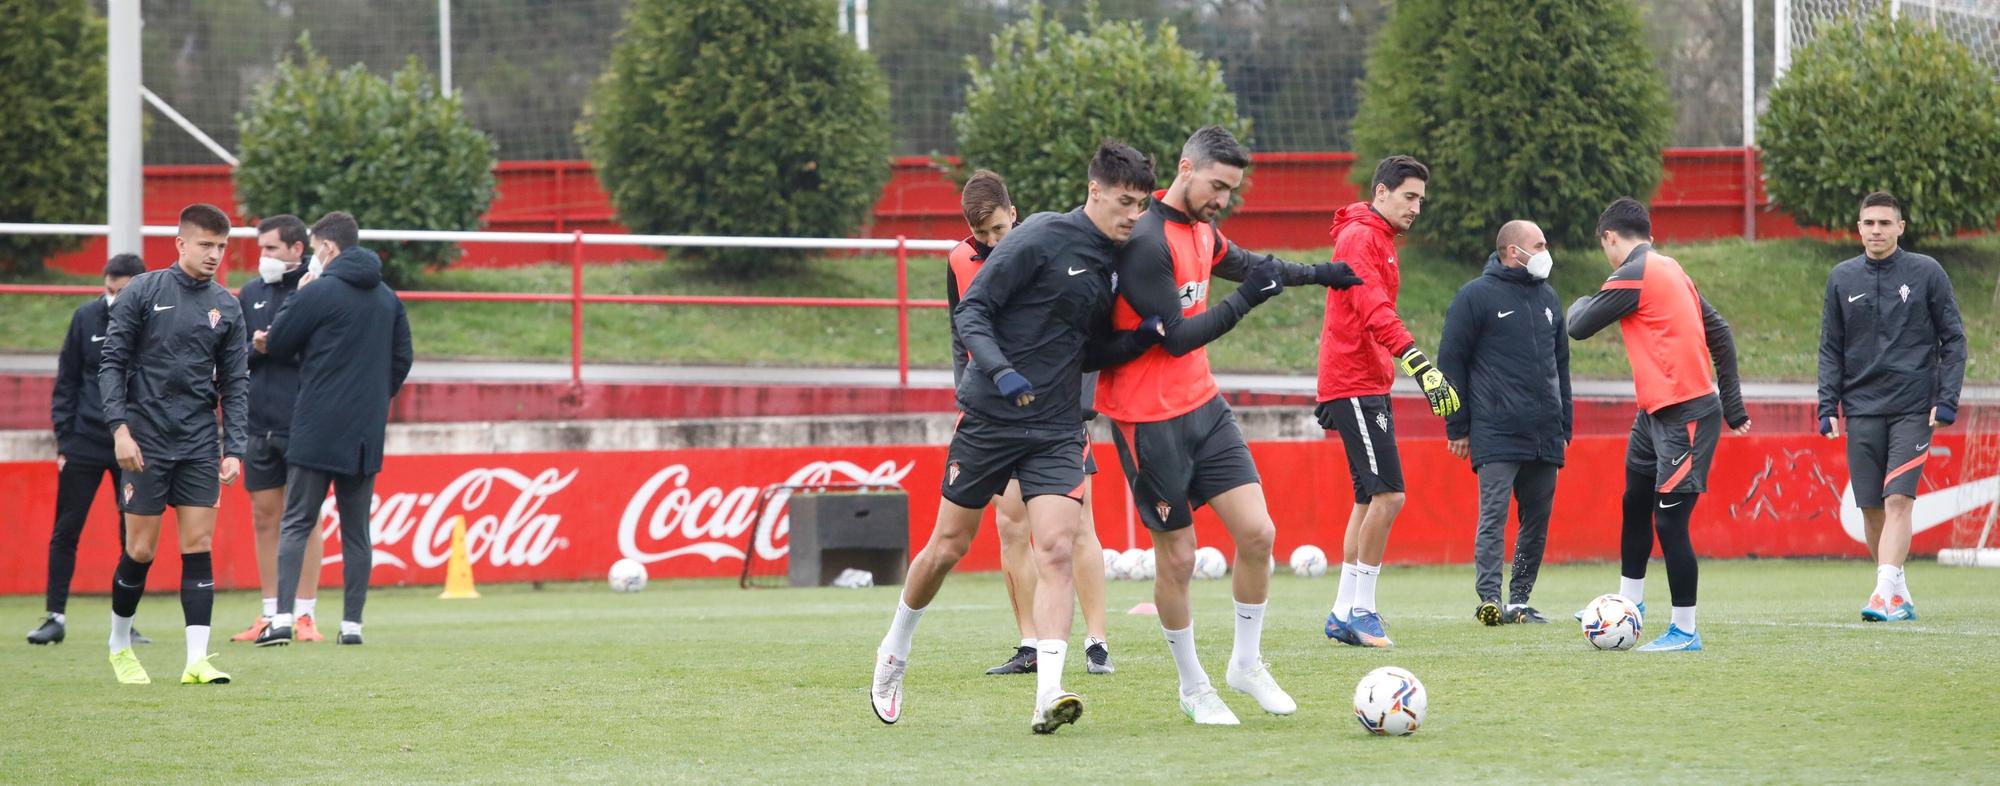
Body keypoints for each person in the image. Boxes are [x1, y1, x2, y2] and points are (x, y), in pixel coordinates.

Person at [871, 142, 1163, 734]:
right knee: (947, 546)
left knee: (1054, 547)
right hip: (991, 420)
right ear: (1095, 193)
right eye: (1126, 202)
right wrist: (1000, 374)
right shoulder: (1038, 237)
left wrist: (1144, 338)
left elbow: (1095, 347)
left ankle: (1049, 693)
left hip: (1057, 427)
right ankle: (894, 649)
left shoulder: (1119, 261)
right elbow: (972, 313)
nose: (1134, 214)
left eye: (1142, 204)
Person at [1100, 126, 1363, 724]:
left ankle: (1245, 664)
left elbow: (1255, 266)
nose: (1223, 199)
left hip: (1203, 407)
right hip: (1148, 420)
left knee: (1259, 535)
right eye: (1217, 186)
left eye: (1231, 190)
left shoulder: (1202, 231)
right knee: (1180, 558)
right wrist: (1247, 299)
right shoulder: (1146, 241)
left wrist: (1326, 273)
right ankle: (1193, 685)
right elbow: (1178, 337)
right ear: (1186, 168)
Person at [945, 171, 1114, 677]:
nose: (994, 242)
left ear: (1014, 213)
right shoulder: (957, 261)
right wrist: (969, 398)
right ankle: (1031, 644)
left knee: (1076, 526)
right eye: (984, 235)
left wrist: (1081, 402)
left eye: (1000, 228)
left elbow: (1082, 329)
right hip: (995, 415)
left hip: (1058, 412)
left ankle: (1096, 642)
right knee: (1010, 525)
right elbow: (962, 333)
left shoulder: (1049, 247)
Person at [1566, 197, 1749, 652]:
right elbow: (1721, 331)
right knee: (1635, 502)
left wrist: (1577, 301)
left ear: (1610, 238)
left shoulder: (1636, 271)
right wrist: (1734, 404)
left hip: (1685, 414)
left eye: (1604, 246)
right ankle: (1631, 605)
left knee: (1670, 524)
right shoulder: (1670, 267)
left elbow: (1580, 325)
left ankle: (1685, 630)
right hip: (1654, 414)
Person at [97, 203, 250, 685]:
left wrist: (234, 447)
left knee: (198, 543)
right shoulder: (143, 291)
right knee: (140, 550)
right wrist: (119, 429)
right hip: (145, 439)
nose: (214, 254)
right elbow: (112, 365)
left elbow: (237, 382)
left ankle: (196, 660)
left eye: (221, 246)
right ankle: (119, 644)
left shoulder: (227, 305)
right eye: (206, 244)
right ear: (180, 243)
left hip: (200, 441)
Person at [1316, 155, 1461, 649]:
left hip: (1361, 382)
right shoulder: (1360, 238)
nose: (1417, 207)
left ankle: (1341, 612)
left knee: (1366, 498)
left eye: (1421, 198)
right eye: (1409, 196)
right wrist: (1421, 366)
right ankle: (1363, 610)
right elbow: (1372, 310)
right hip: (1355, 382)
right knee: (1389, 496)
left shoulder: (1376, 238)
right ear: (1381, 193)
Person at [257, 211, 414, 647]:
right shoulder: (387, 297)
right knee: (356, 531)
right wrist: (373, 398)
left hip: (315, 426)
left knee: (297, 521)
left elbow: (281, 340)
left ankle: (283, 619)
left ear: (326, 248)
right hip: (365, 431)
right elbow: (403, 359)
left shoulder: (318, 290)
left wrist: (298, 296)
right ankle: (352, 626)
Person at [1816, 191, 1965, 622]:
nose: (1876, 230)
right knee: (1872, 507)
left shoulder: (1926, 272)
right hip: (1861, 407)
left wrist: (1946, 398)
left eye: (1885, 223)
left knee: (1899, 498)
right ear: (1858, 228)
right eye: (1869, 223)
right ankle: (1898, 591)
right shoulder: (1841, 278)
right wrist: (1827, 404)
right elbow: (1831, 348)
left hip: (1913, 407)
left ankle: (1881, 594)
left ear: (1900, 227)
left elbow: (1953, 340)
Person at [1437, 220, 1571, 626]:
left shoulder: (1548, 297)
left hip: (1545, 432)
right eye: (1540, 244)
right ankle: (1489, 600)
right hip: (1495, 429)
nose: (1546, 251)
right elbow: (1450, 363)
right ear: (1514, 251)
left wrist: (1565, 424)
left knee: (1536, 521)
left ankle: (1519, 601)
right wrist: (1457, 427)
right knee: (1493, 516)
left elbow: (1561, 364)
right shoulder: (1475, 296)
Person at [30, 254, 153, 646]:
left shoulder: (152, 321)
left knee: (131, 534)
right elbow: (66, 380)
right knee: (66, 529)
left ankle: (126, 622)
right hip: (83, 441)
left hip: (132, 444)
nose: (115, 298)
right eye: (109, 290)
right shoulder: (85, 318)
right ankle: (55, 616)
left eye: (123, 291)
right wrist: (64, 438)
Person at [228, 214, 327, 644]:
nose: (263, 256)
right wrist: (257, 346)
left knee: (304, 517)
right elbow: (234, 359)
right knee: (264, 517)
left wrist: (281, 342)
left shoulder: (318, 292)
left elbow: (320, 354)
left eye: (271, 248)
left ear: (296, 250)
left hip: (304, 422)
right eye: (260, 248)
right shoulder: (249, 292)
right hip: (257, 423)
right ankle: (271, 613)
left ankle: (304, 615)